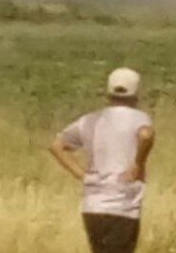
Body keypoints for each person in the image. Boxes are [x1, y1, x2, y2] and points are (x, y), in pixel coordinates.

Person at [49, 67, 155, 253]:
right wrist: (138, 163)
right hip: (123, 204)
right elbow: (145, 135)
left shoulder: (90, 120)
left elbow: (57, 145)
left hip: (92, 204)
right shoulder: (139, 117)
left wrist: (80, 174)